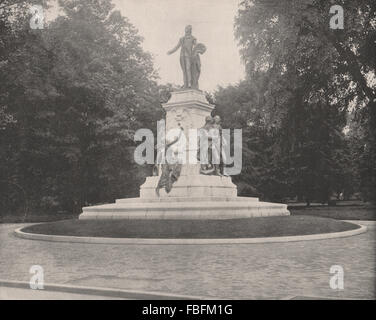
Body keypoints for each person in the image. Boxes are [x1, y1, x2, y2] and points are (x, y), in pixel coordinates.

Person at [155, 126, 184, 196]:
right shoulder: (165, 146)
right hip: (166, 162)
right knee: (165, 175)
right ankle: (159, 188)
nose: (167, 141)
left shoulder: (166, 146)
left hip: (169, 161)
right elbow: (176, 140)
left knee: (167, 174)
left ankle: (166, 187)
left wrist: (180, 132)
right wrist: (180, 131)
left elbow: (176, 140)